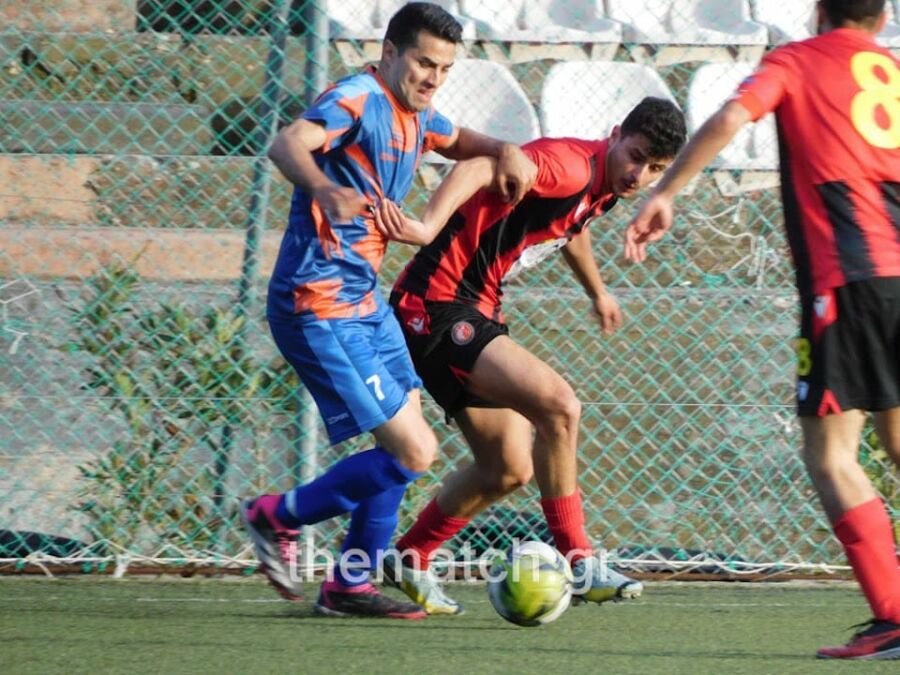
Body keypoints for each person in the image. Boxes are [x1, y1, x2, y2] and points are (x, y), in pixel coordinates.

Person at [241, 2, 536, 620]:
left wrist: (505, 149)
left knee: (408, 445)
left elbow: (459, 140)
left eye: (445, 69)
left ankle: (349, 584)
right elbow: (288, 142)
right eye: (424, 63)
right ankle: (276, 516)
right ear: (390, 52)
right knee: (413, 452)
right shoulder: (358, 98)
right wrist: (324, 187)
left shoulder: (418, 112)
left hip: (364, 300)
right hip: (317, 301)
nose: (433, 78)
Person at [624, 0, 900, 660]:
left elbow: (729, 117)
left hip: (847, 280)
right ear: (882, 19)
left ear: (818, 10)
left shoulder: (797, 61)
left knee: (830, 454)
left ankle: (893, 615)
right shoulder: (891, 70)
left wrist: (666, 192)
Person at [369, 97, 687, 614]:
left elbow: (570, 227)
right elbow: (480, 166)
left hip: (473, 307)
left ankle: (410, 555)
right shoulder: (569, 167)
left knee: (508, 467)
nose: (639, 175)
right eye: (636, 156)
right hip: (437, 305)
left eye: (655, 169)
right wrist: (426, 226)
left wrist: (597, 291)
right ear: (615, 134)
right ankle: (579, 561)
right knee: (560, 407)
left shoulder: (603, 185)